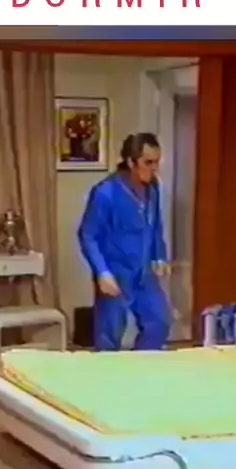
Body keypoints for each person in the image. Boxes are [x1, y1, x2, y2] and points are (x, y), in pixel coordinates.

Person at [77, 132, 171, 351]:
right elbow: (88, 235)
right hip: (116, 273)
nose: (154, 168)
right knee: (109, 336)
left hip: (144, 273)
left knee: (159, 322)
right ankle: (107, 371)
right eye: (148, 162)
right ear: (131, 162)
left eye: (157, 162)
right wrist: (102, 272)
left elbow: (155, 225)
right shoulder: (105, 193)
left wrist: (160, 256)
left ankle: (141, 365)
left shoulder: (153, 188)